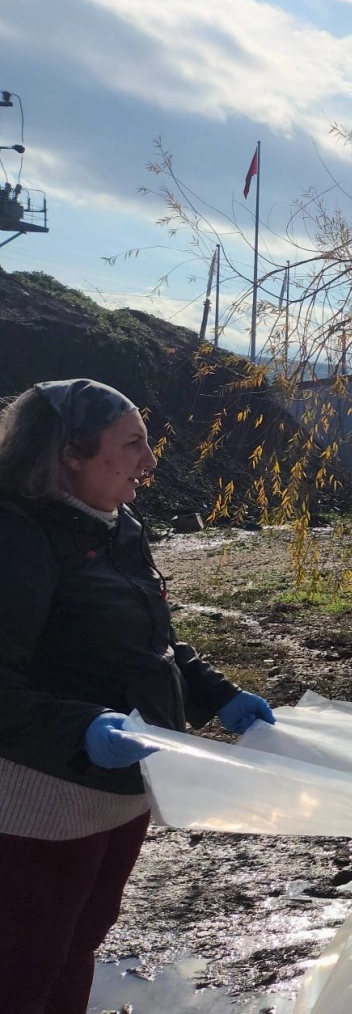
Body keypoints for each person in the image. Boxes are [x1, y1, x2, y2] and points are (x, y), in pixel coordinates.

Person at [0, 378, 276, 1014]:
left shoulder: (117, 525)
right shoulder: (18, 538)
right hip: (42, 802)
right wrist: (83, 729)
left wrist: (219, 696)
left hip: (119, 792)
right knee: (23, 962)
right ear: (71, 451)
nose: (151, 462)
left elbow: (154, 645)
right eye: (133, 445)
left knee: (78, 947)